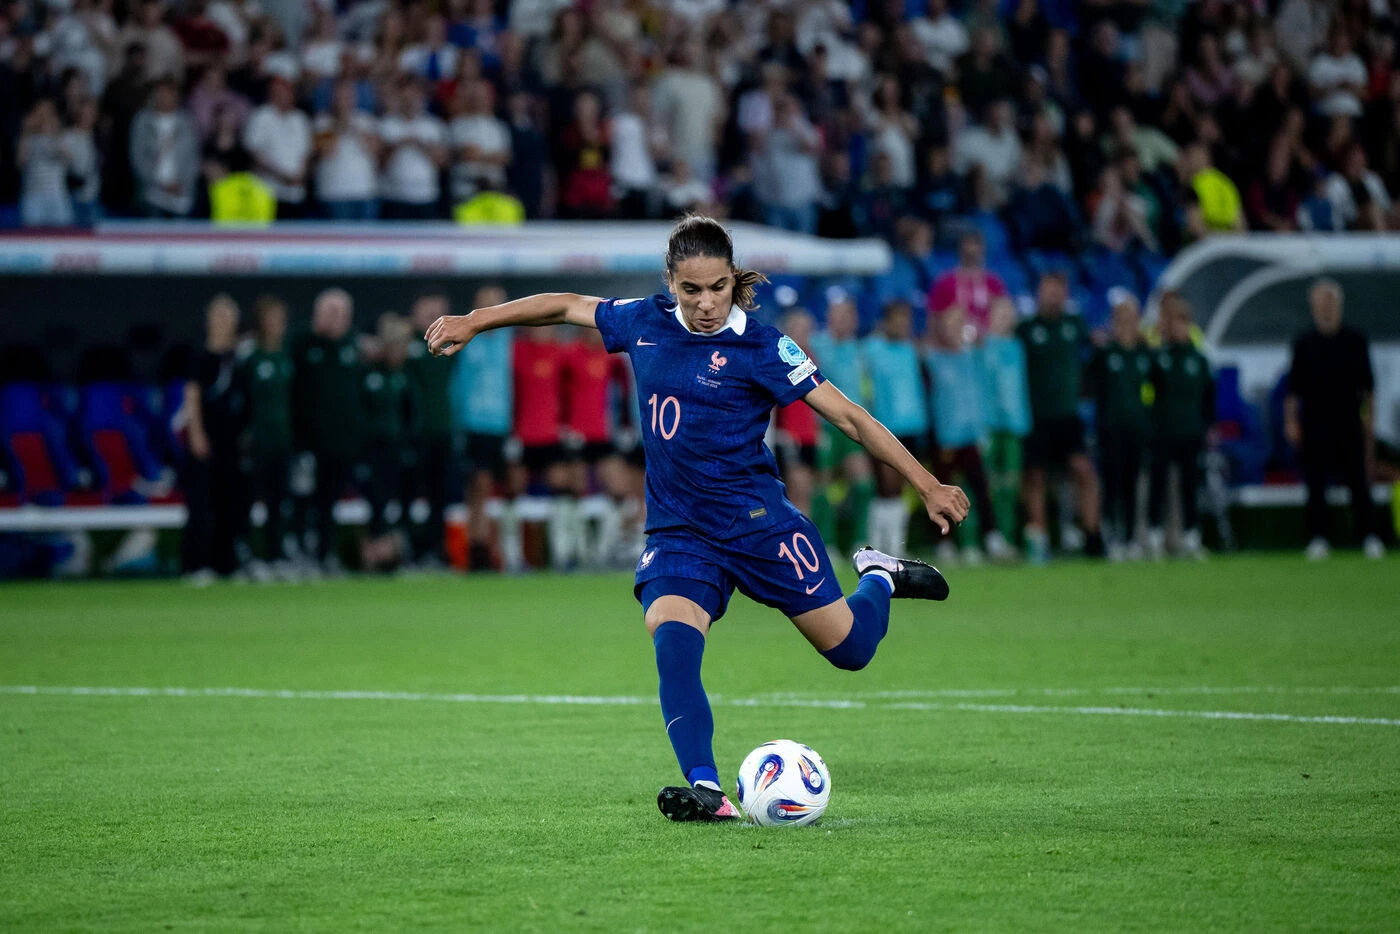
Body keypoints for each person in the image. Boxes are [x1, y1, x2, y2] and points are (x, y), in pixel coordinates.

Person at [424, 215, 968, 823]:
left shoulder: (762, 347)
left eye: (718, 287)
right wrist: (476, 321)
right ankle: (708, 791)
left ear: (734, 280)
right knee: (674, 645)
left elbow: (851, 418)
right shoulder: (643, 322)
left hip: (760, 525)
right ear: (671, 284)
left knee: (853, 650)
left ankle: (879, 575)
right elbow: (567, 305)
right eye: (692, 290)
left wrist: (927, 483)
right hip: (680, 532)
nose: (706, 303)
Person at [1284, 280, 1384, 561]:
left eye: (1330, 302)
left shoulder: (1355, 341)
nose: (1325, 308)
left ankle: (1368, 536)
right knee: (1315, 483)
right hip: (1315, 423)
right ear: (1314, 307)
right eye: (1320, 303)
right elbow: (1293, 391)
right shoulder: (1304, 344)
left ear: (1338, 305)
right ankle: (1319, 537)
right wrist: (1291, 422)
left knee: (1358, 481)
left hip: (1349, 421)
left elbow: (1368, 391)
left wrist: (1369, 424)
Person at [1017, 272, 1103, 563]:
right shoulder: (1026, 329)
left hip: (1068, 416)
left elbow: (1096, 352)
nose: (1053, 296)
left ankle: (1092, 535)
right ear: (1039, 293)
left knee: (1084, 470)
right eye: (1048, 290)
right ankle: (1039, 539)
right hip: (1036, 416)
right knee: (1035, 477)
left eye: (1058, 291)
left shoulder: (1074, 326)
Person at [924, 305, 1007, 563]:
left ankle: (991, 538)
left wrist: (982, 432)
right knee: (943, 492)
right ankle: (945, 542)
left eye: (958, 323)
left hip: (970, 436)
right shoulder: (932, 359)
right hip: (945, 437)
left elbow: (979, 397)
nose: (954, 329)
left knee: (980, 488)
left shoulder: (972, 359)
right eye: (949, 324)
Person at [294, 288, 363, 573]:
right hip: (306, 444)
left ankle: (325, 555)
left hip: (342, 444)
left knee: (329, 504)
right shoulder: (302, 346)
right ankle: (297, 555)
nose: (336, 319)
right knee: (301, 503)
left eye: (341, 313)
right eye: (330, 312)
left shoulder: (353, 348)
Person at [449, 285, 515, 571]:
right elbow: (456, 387)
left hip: (501, 427)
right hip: (473, 426)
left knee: (495, 490)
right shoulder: (466, 341)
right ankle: (476, 550)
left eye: (497, 304)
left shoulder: (508, 343)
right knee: (478, 489)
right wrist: (458, 425)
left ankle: (490, 549)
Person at [182, 294, 247, 582]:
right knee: (201, 504)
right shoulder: (200, 356)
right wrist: (196, 433)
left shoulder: (238, 357)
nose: (223, 322)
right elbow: (192, 395)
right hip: (206, 437)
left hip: (231, 440)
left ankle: (226, 564)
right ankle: (196, 564)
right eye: (218, 316)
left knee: (229, 503)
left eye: (228, 316)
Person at [860, 300, 932, 557]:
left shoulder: (913, 350)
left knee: (900, 489)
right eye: (898, 320)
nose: (903, 325)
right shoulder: (871, 349)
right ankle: (876, 546)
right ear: (886, 322)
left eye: (907, 320)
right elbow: (863, 386)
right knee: (887, 486)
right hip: (883, 427)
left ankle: (894, 546)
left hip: (912, 426)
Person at [1147, 293, 1216, 560]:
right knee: (1158, 485)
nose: (1178, 328)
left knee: (1189, 486)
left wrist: (1209, 426)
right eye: (1173, 323)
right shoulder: (1157, 357)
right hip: (1162, 431)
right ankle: (1154, 537)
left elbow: (1208, 397)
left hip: (1190, 431)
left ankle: (1191, 536)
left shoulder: (1198, 359)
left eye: (1182, 323)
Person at [1087, 293, 1152, 561]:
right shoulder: (1105, 354)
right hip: (1110, 430)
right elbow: (1091, 387)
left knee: (1130, 485)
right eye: (1121, 318)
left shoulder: (1144, 353)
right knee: (1111, 485)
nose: (1126, 324)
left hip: (1136, 429)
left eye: (1131, 318)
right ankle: (1112, 537)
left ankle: (1130, 539)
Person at [808, 296, 872, 553]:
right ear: (829, 317)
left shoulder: (861, 350)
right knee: (822, 484)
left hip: (855, 426)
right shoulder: (817, 345)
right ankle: (827, 544)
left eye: (849, 315)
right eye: (839, 315)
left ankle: (861, 542)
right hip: (824, 424)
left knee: (863, 482)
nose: (844, 321)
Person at [239, 295, 295, 577]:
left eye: (280, 318)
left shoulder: (286, 354)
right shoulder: (249, 354)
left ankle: (276, 555)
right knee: (251, 499)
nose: (277, 324)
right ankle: (249, 555)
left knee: (279, 500)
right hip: (257, 440)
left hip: (282, 439)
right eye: (271, 317)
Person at [405, 291, 459, 567]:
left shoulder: (453, 347)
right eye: (428, 313)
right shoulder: (405, 347)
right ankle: (409, 551)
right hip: (412, 435)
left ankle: (435, 551)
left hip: (443, 432)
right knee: (408, 495)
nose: (433, 319)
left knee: (440, 497)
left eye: (439, 313)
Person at [360, 314, 414, 571]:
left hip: (396, 450)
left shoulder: (403, 378)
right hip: (371, 451)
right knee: (376, 505)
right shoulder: (368, 375)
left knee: (398, 502)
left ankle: (393, 555)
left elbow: (410, 415)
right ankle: (372, 556)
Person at [979, 297, 1030, 549]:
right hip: (988, 425)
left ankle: (1007, 538)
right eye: (1000, 313)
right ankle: (988, 538)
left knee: (1011, 485)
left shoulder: (1018, 347)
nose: (1005, 318)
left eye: (1009, 313)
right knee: (988, 485)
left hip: (1014, 424)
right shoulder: (982, 346)